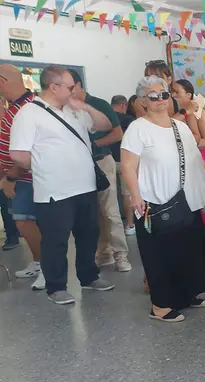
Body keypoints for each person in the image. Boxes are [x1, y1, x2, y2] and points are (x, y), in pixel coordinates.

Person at [9, 66, 115, 305]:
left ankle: (88, 276)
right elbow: (18, 154)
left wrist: (85, 107)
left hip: (85, 187)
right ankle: (56, 286)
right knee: (56, 241)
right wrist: (44, 165)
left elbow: (105, 125)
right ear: (54, 87)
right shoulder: (29, 113)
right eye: (70, 87)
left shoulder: (74, 110)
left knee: (89, 235)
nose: (74, 90)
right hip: (54, 190)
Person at [121, 76, 205, 323]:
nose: (160, 101)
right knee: (159, 255)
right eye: (152, 96)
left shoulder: (181, 127)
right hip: (153, 201)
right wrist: (135, 196)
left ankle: (186, 295)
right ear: (143, 100)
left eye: (164, 95)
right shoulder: (138, 129)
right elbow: (128, 166)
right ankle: (161, 305)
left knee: (188, 249)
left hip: (184, 200)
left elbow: (196, 162)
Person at [69, 70, 131, 272]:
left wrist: (93, 144)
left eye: (71, 88)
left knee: (110, 210)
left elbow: (117, 133)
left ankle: (121, 254)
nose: (68, 92)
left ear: (79, 85)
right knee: (93, 213)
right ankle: (103, 253)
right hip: (80, 166)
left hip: (102, 162)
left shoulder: (99, 105)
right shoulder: (66, 108)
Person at [0, 64, 44, 289]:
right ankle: (38, 262)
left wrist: (11, 177)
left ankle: (47, 266)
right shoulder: (13, 107)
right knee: (22, 221)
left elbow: (29, 150)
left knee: (24, 220)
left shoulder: (28, 107)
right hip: (14, 175)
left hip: (26, 176)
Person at [171, 79, 205, 256]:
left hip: (199, 159)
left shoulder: (197, 112)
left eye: (177, 92)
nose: (173, 95)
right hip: (185, 160)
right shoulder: (176, 113)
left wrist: (187, 145)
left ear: (188, 94)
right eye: (172, 92)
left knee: (203, 200)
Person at [111, 94, 137, 235]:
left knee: (110, 196)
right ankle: (130, 225)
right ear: (123, 105)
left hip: (108, 160)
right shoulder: (128, 120)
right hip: (124, 161)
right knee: (127, 194)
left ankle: (113, 228)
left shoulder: (106, 118)